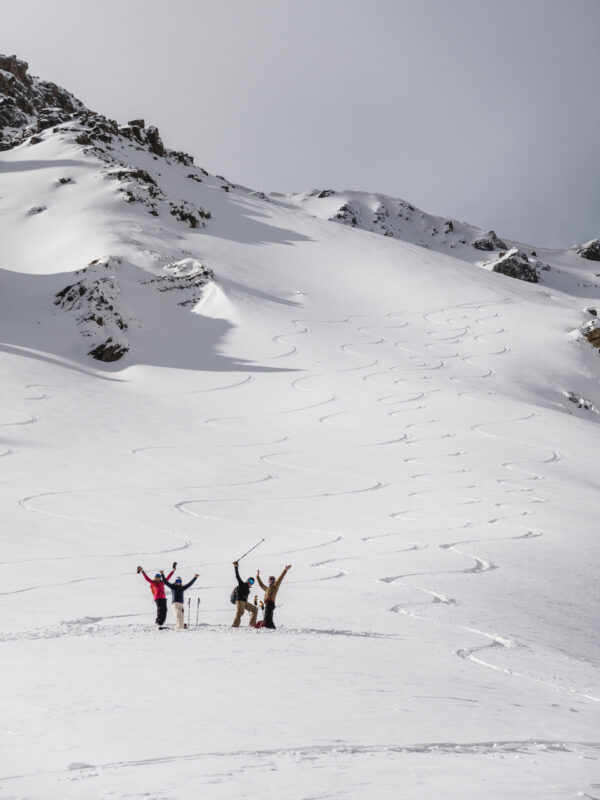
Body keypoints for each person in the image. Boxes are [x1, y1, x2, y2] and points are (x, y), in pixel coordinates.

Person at [137, 562, 176, 627]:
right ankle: (158, 622)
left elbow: (168, 578)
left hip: (163, 598)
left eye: (159, 577)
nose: (158, 578)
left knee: (165, 610)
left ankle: (161, 623)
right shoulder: (153, 583)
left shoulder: (162, 583)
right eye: (157, 577)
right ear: (155, 578)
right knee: (160, 609)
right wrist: (142, 571)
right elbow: (147, 578)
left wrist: (173, 571)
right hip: (157, 598)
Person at [256, 565, 291, 629]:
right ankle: (271, 627)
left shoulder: (275, 586)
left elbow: (280, 578)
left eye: (273, 579)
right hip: (268, 603)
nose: (272, 580)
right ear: (269, 581)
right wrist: (258, 576)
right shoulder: (267, 588)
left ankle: (269, 626)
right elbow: (261, 585)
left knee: (267, 616)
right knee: (268, 616)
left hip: (270, 603)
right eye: (271, 579)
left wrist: (285, 570)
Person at [232, 561, 258, 627]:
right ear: (247, 580)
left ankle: (252, 624)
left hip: (244, 602)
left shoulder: (248, 589)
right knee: (240, 612)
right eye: (250, 580)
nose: (250, 582)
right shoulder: (242, 584)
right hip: (239, 600)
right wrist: (236, 567)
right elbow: (237, 576)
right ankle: (235, 625)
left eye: (252, 581)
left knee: (255, 609)